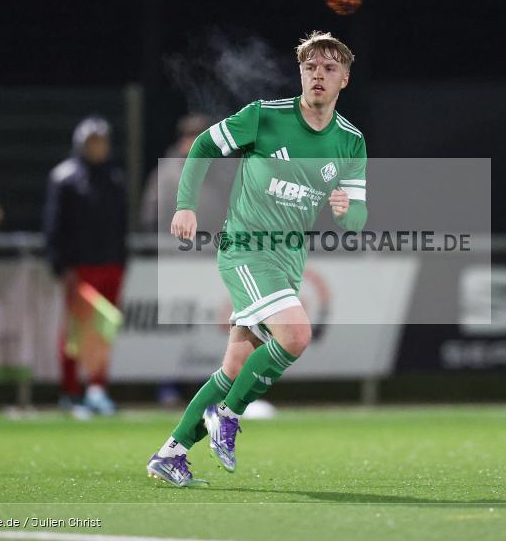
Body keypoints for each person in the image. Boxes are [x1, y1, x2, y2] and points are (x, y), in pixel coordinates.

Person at [146, 31, 368, 487]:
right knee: (296, 334)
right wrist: (185, 204)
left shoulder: (350, 142)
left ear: (344, 79)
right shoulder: (266, 117)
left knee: (233, 369)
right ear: (301, 74)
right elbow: (205, 146)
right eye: (310, 67)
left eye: (329, 68)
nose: (318, 75)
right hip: (246, 248)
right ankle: (226, 415)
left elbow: (357, 219)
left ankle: (171, 454)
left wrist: (350, 211)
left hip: (289, 259)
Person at [43, 116, 127, 417]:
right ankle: (70, 390)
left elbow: (120, 225)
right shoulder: (63, 178)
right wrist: (60, 265)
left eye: (102, 141)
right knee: (76, 331)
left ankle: (97, 388)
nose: (98, 148)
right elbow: (54, 225)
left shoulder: (115, 178)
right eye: (93, 142)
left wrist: (120, 260)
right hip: (79, 268)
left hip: (110, 265)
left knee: (102, 330)